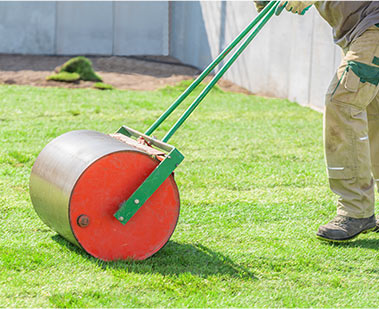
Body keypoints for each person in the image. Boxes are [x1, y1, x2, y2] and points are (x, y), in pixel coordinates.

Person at [254, 1, 379, 241]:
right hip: (359, 30)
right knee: (374, 114)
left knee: (342, 102)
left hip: (373, 26)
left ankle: (355, 209)